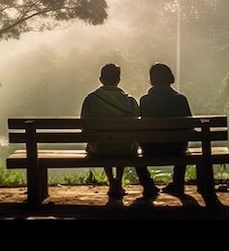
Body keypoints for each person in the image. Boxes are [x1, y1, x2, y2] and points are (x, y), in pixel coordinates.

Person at [80, 63, 139, 199]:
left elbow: (84, 125)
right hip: (125, 148)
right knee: (123, 140)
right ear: (118, 80)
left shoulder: (91, 99)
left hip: (100, 149)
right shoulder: (129, 101)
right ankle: (118, 180)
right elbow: (135, 128)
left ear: (101, 79)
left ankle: (112, 181)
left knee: (103, 142)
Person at [135, 63, 191, 198]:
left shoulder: (145, 100)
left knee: (133, 149)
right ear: (170, 78)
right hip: (176, 148)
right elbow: (189, 126)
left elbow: (139, 128)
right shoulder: (180, 99)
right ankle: (178, 183)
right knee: (182, 141)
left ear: (152, 80)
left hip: (150, 148)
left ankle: (148, 185)